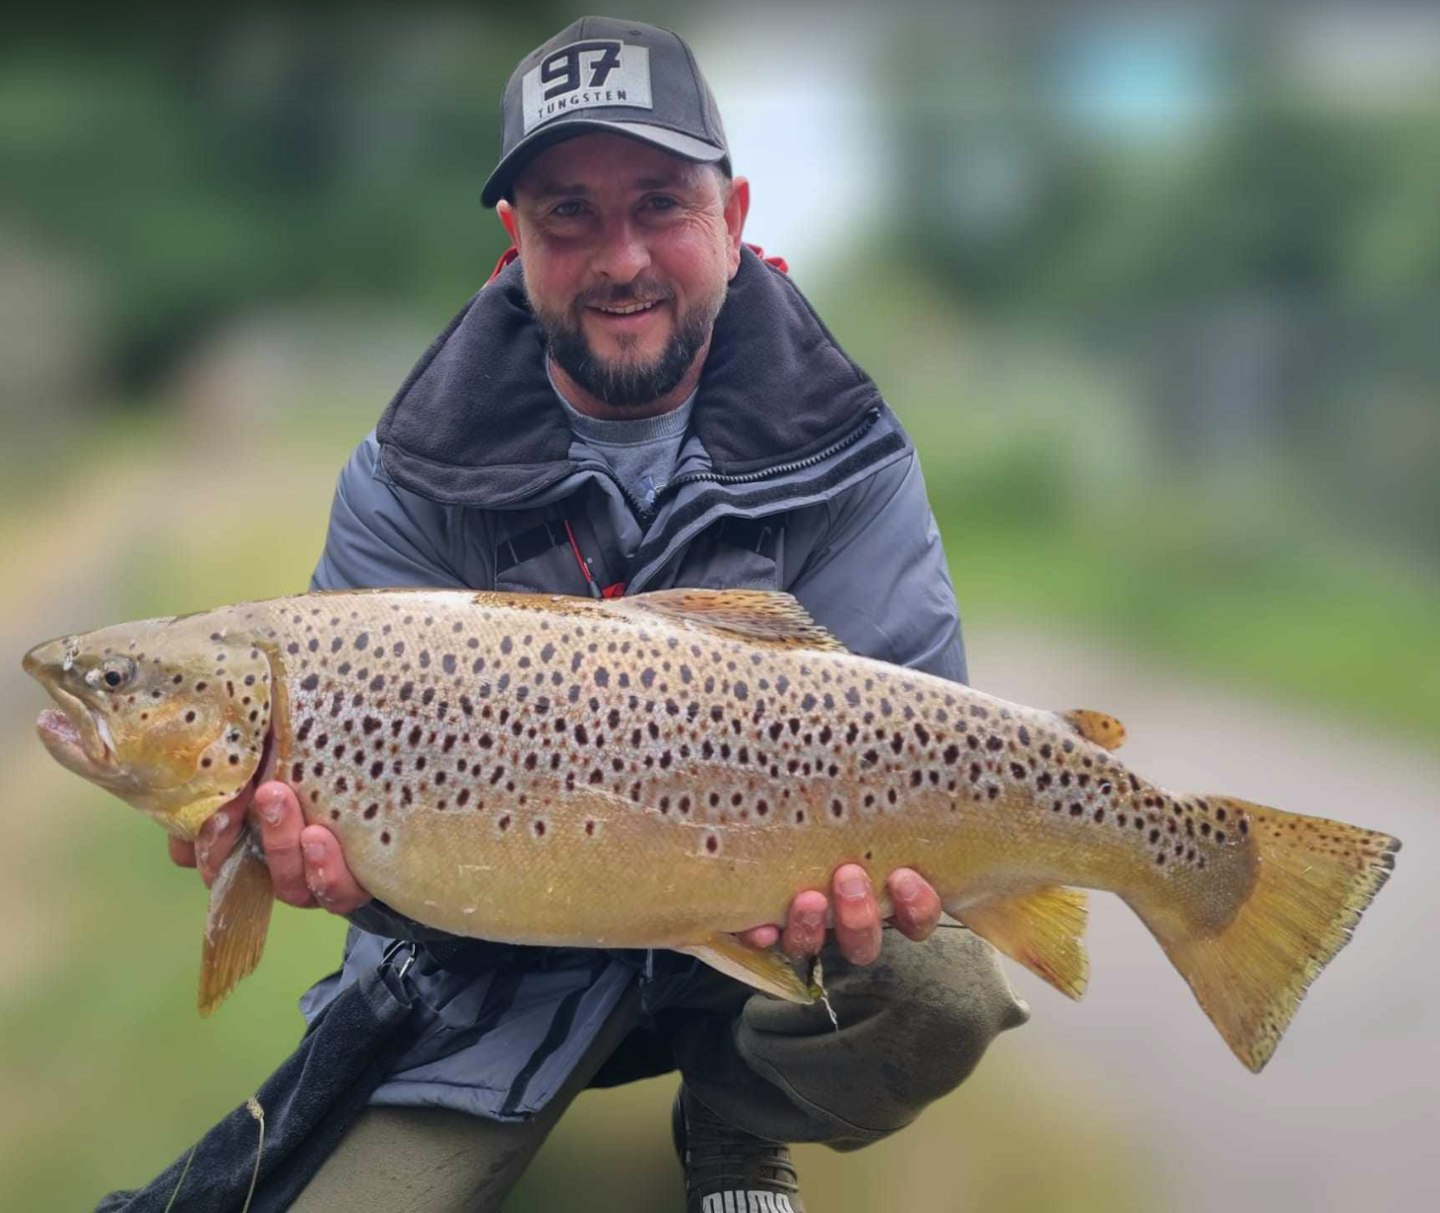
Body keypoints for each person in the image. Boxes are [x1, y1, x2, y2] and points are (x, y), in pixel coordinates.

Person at [173, 17, 1029, 1212]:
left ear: (732, 223)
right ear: (516, 240)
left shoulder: (852, 455)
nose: (620, 255)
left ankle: (734, 1122)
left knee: (939, 986)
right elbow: (341, 835)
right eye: (569, 213)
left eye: (662, 206)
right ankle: (498, 1089)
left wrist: (879, 889)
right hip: (490, 960)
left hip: (761, 941)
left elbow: (915, 719)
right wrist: (330, 867)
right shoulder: (405, 473)